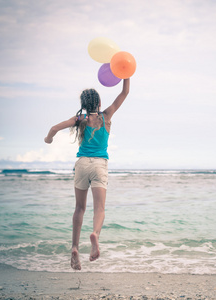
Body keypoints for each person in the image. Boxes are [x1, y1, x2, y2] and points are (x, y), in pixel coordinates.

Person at [44, 78, 130, 270]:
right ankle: (95, 236)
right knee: (99, 208)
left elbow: (54, 128)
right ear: (99, 103)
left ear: (83, 105)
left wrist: (48, 139)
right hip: (100, 165)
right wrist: (126, 74)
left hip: (82, 165)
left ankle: (74, 248)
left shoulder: (80, 120)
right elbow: (124, 93)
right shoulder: (106, 116)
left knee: (79, 209)